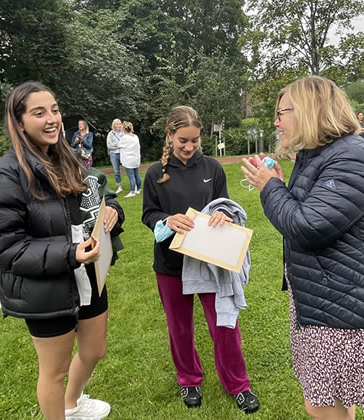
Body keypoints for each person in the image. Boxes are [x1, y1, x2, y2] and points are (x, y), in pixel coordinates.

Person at [240, 76, 364, 420]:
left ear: (307, 111)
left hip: (349, 303)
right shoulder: (321, 155)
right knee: (334, 399)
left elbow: (307, 227)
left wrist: (270, 187)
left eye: (280, 112)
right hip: (329, 298)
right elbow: (310, 212)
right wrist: (278, 182)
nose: (275, 121)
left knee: (320, 404)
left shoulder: (350, 157)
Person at [0, 81, 123, 419]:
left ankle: (72, 404)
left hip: (89, 275)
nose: (52, 119)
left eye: (54, 110)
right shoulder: (4, 176)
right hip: (46, 288)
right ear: (19, 121)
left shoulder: (67, 158)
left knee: (94, 350)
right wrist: (70, 254)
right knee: (54, 372)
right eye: (39, 112)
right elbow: (6, 250)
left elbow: (96, 199)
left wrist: (112, 211)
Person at [141, 106, 259, 413]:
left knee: (224, 324)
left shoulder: (213, 168)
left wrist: (224, 213)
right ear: (170, 135)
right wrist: (168, 221)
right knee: (179, 328)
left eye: (195, 140)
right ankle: (189, 379)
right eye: (183, 140)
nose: (190, 147)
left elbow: (226, 205)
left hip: (210, 261)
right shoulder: (155, 173)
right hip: (171, 265)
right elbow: (148, 215)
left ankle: (238, 384)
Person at [117, 121, 141, 197]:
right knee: (137, 175)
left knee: (131, 176)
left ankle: (132, 191)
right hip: (136, 159)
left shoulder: (124, 138)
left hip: (128, 160)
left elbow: (119, 145)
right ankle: (138, 189)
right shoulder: (135, 136)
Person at [106, 119, 123, 193]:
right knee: (116, 171)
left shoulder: (124, 133)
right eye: (117, 124)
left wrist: (118, 145)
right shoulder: (111, 134)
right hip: (113, 153)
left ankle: (133, 184)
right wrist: (119, 145)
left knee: (129, 169)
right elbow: (109, 146)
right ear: (114, 125)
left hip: (123, 153)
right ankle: (119, 186)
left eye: (120, 124)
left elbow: (126, 143)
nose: (119, 125)